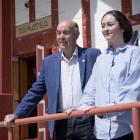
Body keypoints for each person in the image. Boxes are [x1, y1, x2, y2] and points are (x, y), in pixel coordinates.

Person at [4, 20, 101, 140]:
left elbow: (103, 84)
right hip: (61, 123)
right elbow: (36, 91)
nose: (61, 37)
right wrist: (17, 114)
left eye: (65, 33)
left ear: (76, 35)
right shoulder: (49, 62)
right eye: (58, 33)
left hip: (88, 120)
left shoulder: (93, 55)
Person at [70, 10, 140, 140]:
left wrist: (103, 112)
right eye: (102, 26)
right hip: (100, 132)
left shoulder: (135, 53)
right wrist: (82, 109)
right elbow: (90, 91)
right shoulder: (101, 58)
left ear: (123, 27)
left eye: (110, 24)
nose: (105, 29)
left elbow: (132, 93)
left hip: (126, 130)